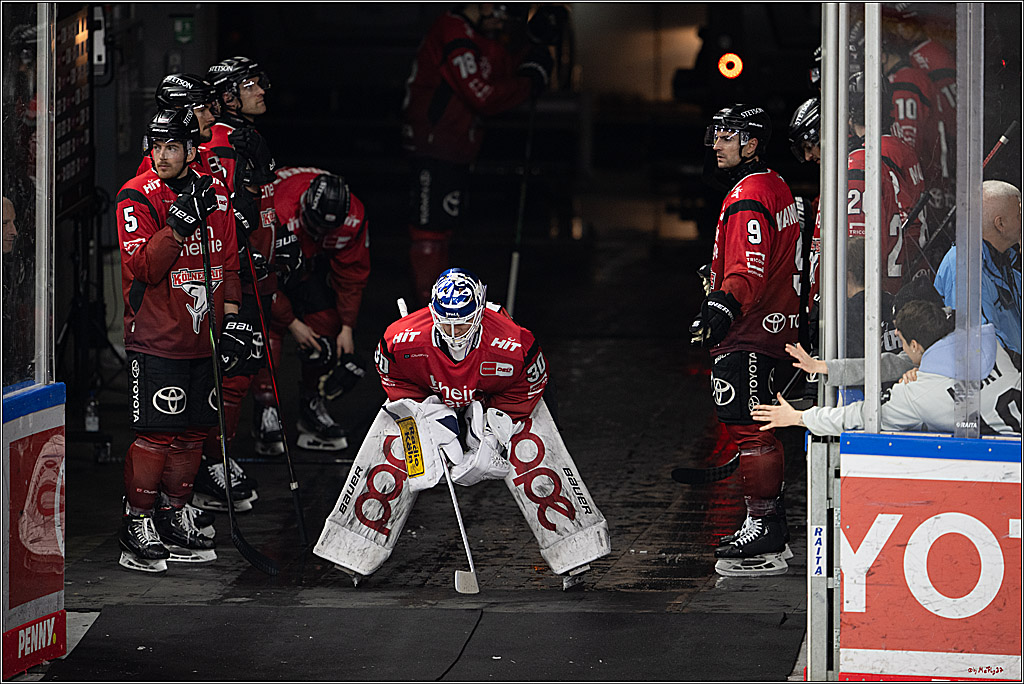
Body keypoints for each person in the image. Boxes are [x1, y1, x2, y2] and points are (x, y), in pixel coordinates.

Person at [114, 108, 250, 572]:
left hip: (203, 340)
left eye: (173, 146)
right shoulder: (136, 196)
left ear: (193, 151)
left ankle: (173, 515)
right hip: (155, 339)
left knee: (194, 433)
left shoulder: (219, 197)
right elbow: (145, 268)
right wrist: (177, 228)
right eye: (156, 146)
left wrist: (231, 322)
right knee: (155, 434)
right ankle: (138, 521)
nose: (162, 155)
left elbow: (229, 266)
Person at [688, 103, 802, 577]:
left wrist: (721, 306)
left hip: (750, 331)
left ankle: (766, 529)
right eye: (714, 132)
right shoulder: (776, 185)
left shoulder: (750, 192)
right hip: (775, 326)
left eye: (727, 134)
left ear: (750, 143)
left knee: (750, 429)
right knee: (758, 427)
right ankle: (766, 523)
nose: (716, 142)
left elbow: (748, 266)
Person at [401, 3, 553, 304]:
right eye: (503, 9)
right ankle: (428, 317)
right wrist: (528, 83)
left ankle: (439, 314)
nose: (505, 18)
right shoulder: (454, 30)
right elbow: (483, 94)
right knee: (429, 232)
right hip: (435, 145)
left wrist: (534, 51)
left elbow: (501, 70)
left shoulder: (480, 36)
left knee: (443, 230)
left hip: (456, 146)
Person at [191, 55, 290, 510]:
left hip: (260, 271)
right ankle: (210, 462)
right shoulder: (216, 141)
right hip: (237, 275)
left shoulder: (248, 137)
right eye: (252, 83)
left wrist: (281, 240)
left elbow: (262, 202)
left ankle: (215, 457)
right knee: (230, 372)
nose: (262, 90)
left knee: (246, 368)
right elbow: (216, 211)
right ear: (227, 95)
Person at [754, 299, 1022, 436]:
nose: (902, 349)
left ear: (915, 344)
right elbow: (897, 363)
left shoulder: (915, 395)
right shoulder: (990, 344)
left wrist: (801, 418)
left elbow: (860, 416)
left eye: (903, 343)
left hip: (1003, 466)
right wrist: (827, 367)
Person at [254, 166, 371, 454]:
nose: (319, 231)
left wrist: (346, 327)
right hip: (268, 264)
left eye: (325, 229)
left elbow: (352, 273)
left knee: (327, 326)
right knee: (270, 327)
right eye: (315, 224)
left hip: (308, 264)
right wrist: (293, 322)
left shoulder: (353, 217)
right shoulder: (275, 209)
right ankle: (265, 410)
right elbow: (258, 278)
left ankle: (311, 407)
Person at [933, 180, 1023, 355]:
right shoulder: (964, 265)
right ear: (1000, 224)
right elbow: (981, 338)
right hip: (1002, 375)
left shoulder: (1004, 261)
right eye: (1019, 214)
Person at [135, 73, 220, 177]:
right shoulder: (160, 163)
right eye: (202, 111)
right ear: (178, 113)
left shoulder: (207, 155)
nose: (211, 118)